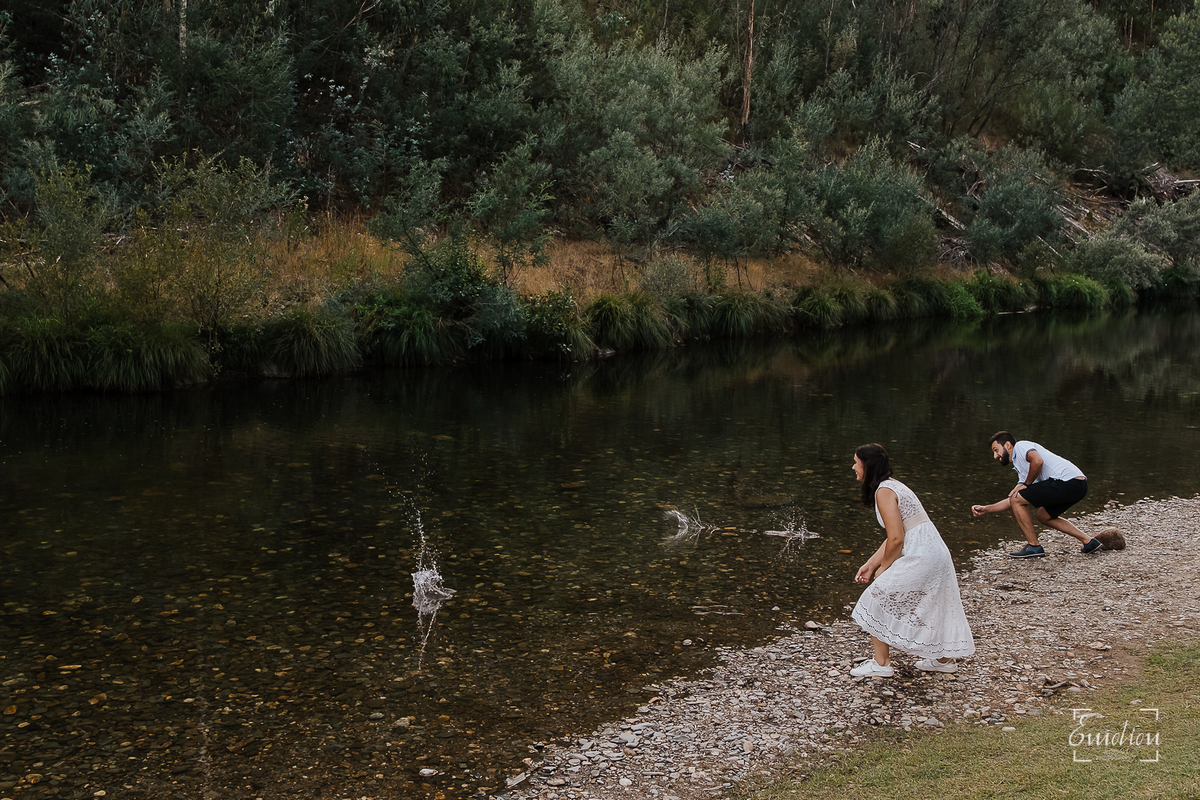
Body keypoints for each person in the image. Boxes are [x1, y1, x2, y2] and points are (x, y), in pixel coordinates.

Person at [848, 443, 976, 678]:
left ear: (866, 466)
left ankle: (882, 663)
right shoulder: (894, 486)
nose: (853, 466)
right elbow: (898, 534)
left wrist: (884, 568)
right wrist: (871, 563)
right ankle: (943, 659)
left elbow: (896, 538)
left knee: (877, 596)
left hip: (923, 555)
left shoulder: (883, 491)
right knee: (936, 605)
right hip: (936, 553)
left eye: (856, 462)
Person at [970, 431, 1101, 558]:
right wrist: (987, 508)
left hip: (1067, 482)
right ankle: (1089, 542)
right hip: (1079, 485)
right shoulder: (1021, 467)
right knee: (1043, 516)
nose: (995, 456)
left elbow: (1038, 461)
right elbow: (1013, 499)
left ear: (1008, 445)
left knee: (1018, 499)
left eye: (996, 450)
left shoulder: (1021, 446)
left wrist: (1026, 484)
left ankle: (1034, 546)